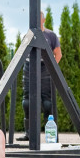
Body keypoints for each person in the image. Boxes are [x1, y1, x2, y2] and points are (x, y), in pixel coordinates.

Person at [19, 12, 62, 140]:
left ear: (44, 20)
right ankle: (28, 133)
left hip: (45, 68)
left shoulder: (51, 35)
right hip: (29, 68)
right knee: (27, 101)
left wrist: (51, 68)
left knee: (47, 102)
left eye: (39, 18)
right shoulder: (27, 35)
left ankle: (50, 133)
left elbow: (58, 55)